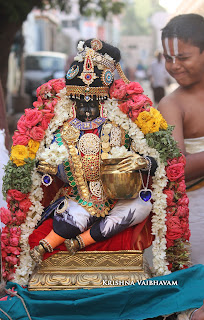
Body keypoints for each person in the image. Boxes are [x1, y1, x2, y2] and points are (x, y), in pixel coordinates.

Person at [29, 39, 156, 264]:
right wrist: (48, 167)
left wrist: (141, 162)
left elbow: (154, 162)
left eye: (93, 103)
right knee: (76, 216)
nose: (87, 111)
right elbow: (48, 167)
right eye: (81, 103)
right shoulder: (61, 131)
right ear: (73, 101)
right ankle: (46, 245)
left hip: (118, 195)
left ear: (102, 101)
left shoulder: (118, 126)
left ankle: (82, 242)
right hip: (80, 196)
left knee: (142, 206)